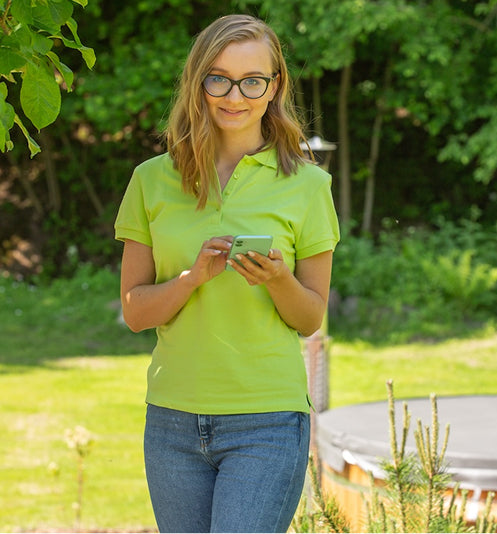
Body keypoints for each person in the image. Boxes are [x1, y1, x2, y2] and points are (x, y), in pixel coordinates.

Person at [114, 14, 339, 533]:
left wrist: (279, 280)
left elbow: (309, 318)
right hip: (171, 421)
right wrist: (193, 277)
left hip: (268, 422)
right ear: (199, 82)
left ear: (274, 85)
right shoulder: (151, 180)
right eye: (218, 78)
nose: (234, 96)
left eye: (252, 81)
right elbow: (134, 312)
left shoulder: (308, 186)